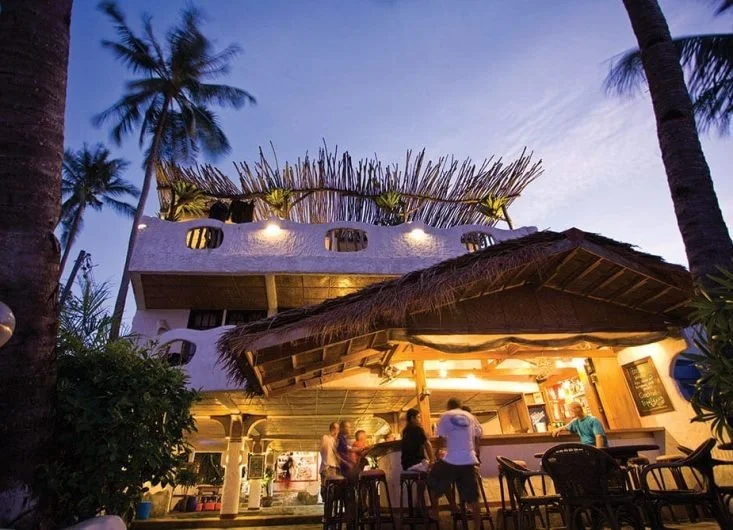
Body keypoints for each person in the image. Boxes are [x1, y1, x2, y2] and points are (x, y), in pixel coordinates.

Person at [429, 398, 483, 529]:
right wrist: (475, 452)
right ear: (460, 406)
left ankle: (435, 511)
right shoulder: (470, 417)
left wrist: (439, 452)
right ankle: (477, 526)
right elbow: (478, 436)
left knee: (432, 479)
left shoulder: (445, 416)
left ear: (449, 406)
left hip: (451, 460)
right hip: (469, 461)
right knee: (474, 498)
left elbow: (441, 439)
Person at [401, 408, 434, 472]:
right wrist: (432, 460)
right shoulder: (418, 429)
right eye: (418, 417)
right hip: (417, 464)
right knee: (437, 469)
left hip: (406, 466)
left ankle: (423, 482)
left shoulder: (405, 431)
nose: (420, 420)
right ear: (412, 418)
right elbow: (427, 445)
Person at [320, 422, 340, 501]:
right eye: (336, 429)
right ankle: (328, 510)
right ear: (332, 429)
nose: (338, 431)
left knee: (333, 492)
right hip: (328, 467)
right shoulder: (326, 438)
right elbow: (326, 451)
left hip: (333, 468)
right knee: (328, 491)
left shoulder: (336, 441)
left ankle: (331, 510)